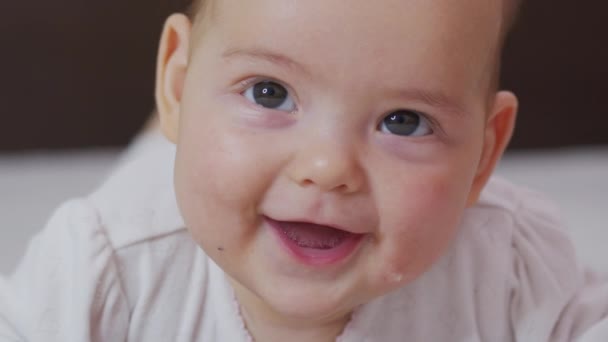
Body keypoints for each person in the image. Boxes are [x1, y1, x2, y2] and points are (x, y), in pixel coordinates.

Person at [2, 0, 608, 341]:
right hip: (155, 197)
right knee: (152, 171)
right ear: (179, 86)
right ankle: (160, 138)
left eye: (403, 121)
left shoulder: (509, 264)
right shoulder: (102, 267)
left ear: (483, 154)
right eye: (268, 92)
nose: (328, 168)